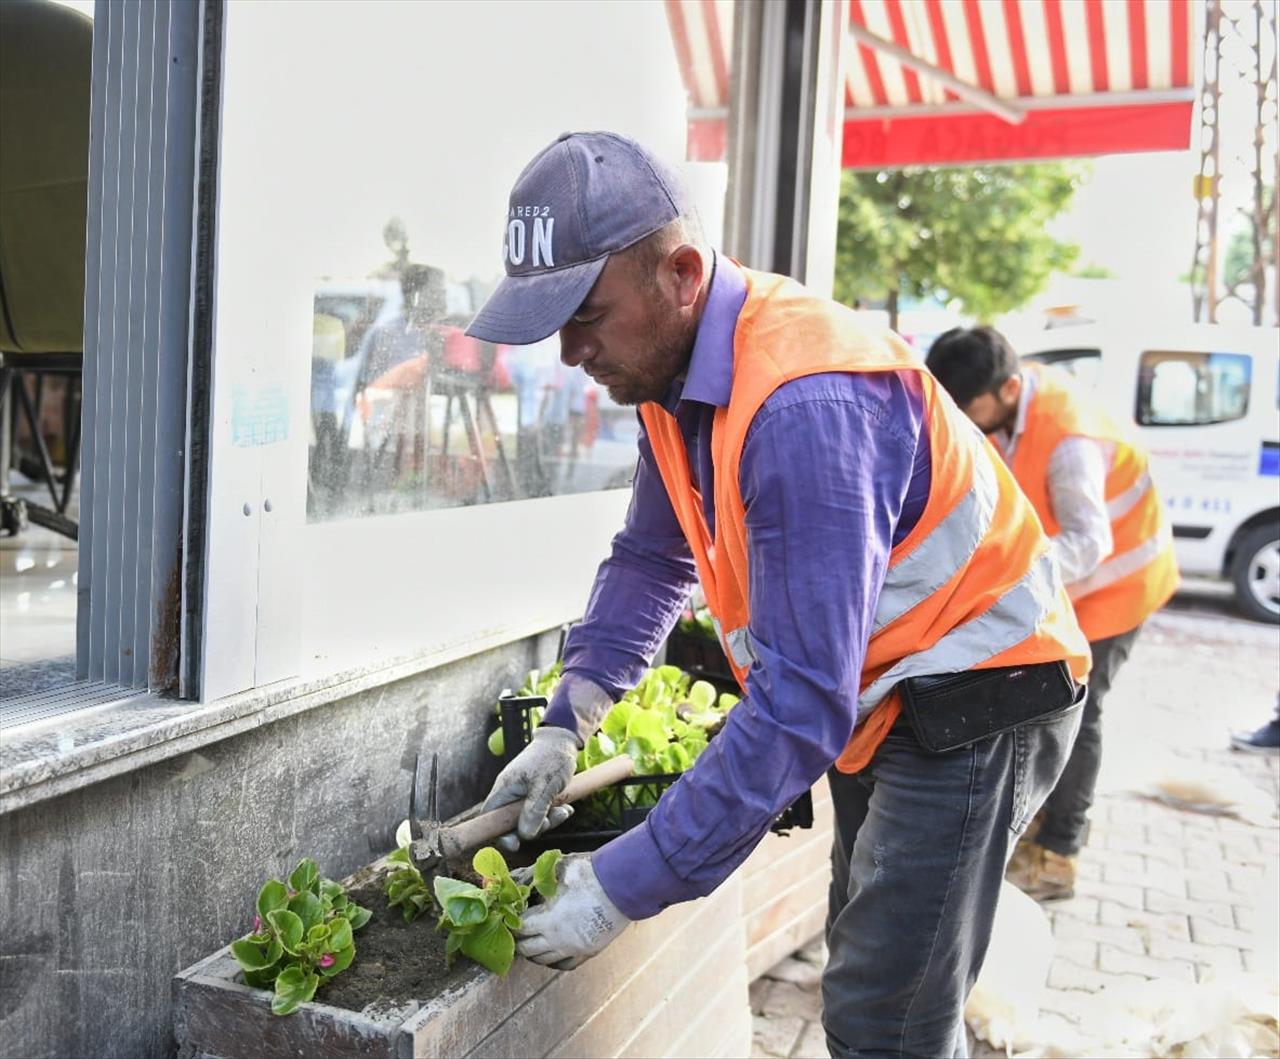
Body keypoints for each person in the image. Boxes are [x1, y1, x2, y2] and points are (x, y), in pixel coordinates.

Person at [465, 131, 1091, 1057]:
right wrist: (570, 717)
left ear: (680, 273)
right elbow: (649, 556)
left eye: (586, 313)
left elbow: (800, 702)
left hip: (982, 693)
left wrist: (619, 885)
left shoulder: (804, 405)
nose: (568, 351)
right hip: (895, 688)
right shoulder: (670, 379)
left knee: (886, 1017)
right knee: (883, 975)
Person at [927, 327, 1180, 901]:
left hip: (1118, 585)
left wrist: (1005, 580)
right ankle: (1038, 824)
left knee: (1079, 711)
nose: (965, 419)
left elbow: (1089, 544)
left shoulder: (1069, 438)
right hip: (1065, 585)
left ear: (1009, 388)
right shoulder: (1006, 401)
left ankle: (1060, 854)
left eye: (970, 409)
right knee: (1040, 704)